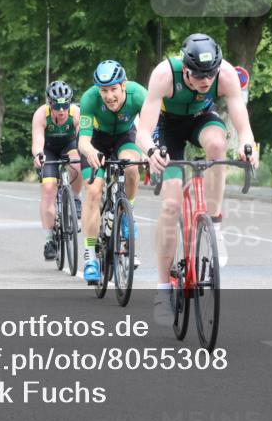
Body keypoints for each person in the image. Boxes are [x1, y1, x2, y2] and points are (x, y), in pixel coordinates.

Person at [135, 33, 260, 323]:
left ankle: (214, 222)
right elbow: (143, 130)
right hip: (166, 129)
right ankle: (163, 289)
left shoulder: (226, 73)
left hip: (201, 118)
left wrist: (246, 144)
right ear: (185, 69)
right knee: (170, 206)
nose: (206, 82)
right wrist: (151, 150)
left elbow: (241, 118)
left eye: (210, 75)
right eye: (199, 76)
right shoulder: (164, 75)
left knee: (218, 145)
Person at [77, 60, 147, 284]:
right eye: (104, 91)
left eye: (113, 89)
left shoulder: (138, 94)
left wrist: (149, 151)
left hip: (126, 137)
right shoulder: (89, 99)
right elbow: (83, 140)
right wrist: (91, 153)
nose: (109, 96)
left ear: (123, 85)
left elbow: (151, 129)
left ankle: (128, 214)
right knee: (94, 192)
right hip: (97, 141)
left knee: (131, 166)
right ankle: (90, 256)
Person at [31, 80, 83, 261]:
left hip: (69, 146)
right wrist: (39, 155)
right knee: (48, 189)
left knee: (77, 163)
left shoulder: (76, 114)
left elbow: (83, 138)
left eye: (65, 105)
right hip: (49, 150)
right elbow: (37, 142)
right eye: (56, 106)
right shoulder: (40, 115)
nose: (61, 110)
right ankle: (49, 240)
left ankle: (75, 199)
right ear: (49, 104)